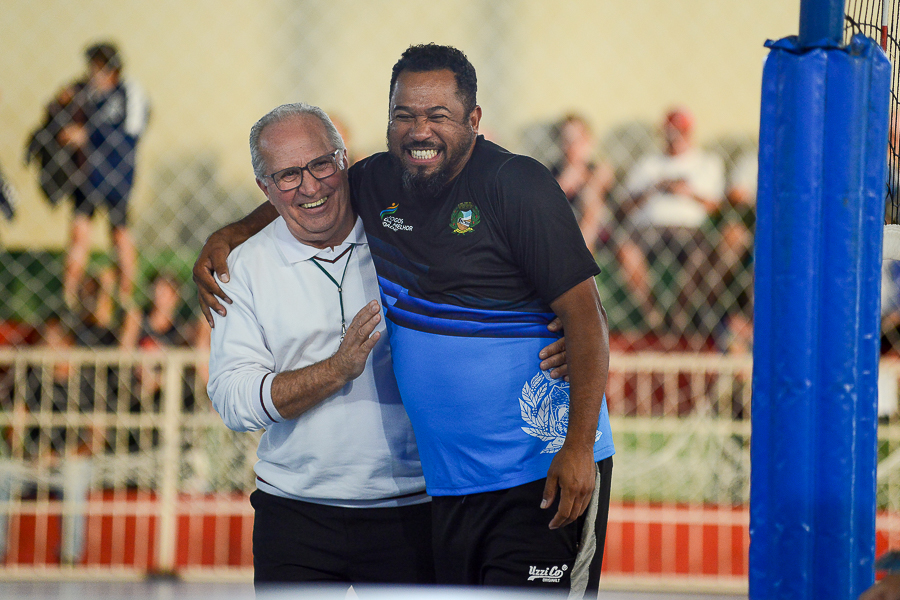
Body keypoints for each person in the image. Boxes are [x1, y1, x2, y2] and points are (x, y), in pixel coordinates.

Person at [195, 44, 614, 595]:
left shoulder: (518, 184)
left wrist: (578, 448)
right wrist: (229, 234)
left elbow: (587, 320)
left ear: (473, 119)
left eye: (438, 115)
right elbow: (303, 189)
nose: (420, 131)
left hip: (538, 472)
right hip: (448, 490)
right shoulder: (380, 180)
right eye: (404, 115)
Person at [40, 42, 150, 310]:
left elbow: (131, 136)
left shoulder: (130, 92)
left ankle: (125, 296)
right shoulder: (83, 91)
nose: (93, 72)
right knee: (79, 232)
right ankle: (69, 297)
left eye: (99, 67)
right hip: (86, 175)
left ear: (112, 69)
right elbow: (55, 115)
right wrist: (59, 104)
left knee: (120, 234)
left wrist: (88, 134)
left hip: (117, 176)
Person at [616, 107, 725, 339]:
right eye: (670, 132)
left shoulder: (706, 162)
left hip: (689, 229)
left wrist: (688, 192)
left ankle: (678, 316)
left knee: (700, 255)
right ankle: (653, 315)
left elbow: (717, 206)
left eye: (680, 132)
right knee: (626, 249)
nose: (675, 138)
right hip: (649, 228)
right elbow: (624, 206)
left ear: (690, 133)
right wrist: (654, 188)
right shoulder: (648, 163)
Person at [550, 113, 614, 255]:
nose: (572, 146)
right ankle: (582, 256)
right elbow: (544, 203)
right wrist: (563, 185)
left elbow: (605, 184)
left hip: (599, 230)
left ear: (587, 141)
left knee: (592, 198)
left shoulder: (598, 169)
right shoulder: (552, 172)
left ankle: (581, 253)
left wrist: (585, 176)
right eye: (567, 140)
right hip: (563, 226)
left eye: (578, 139)